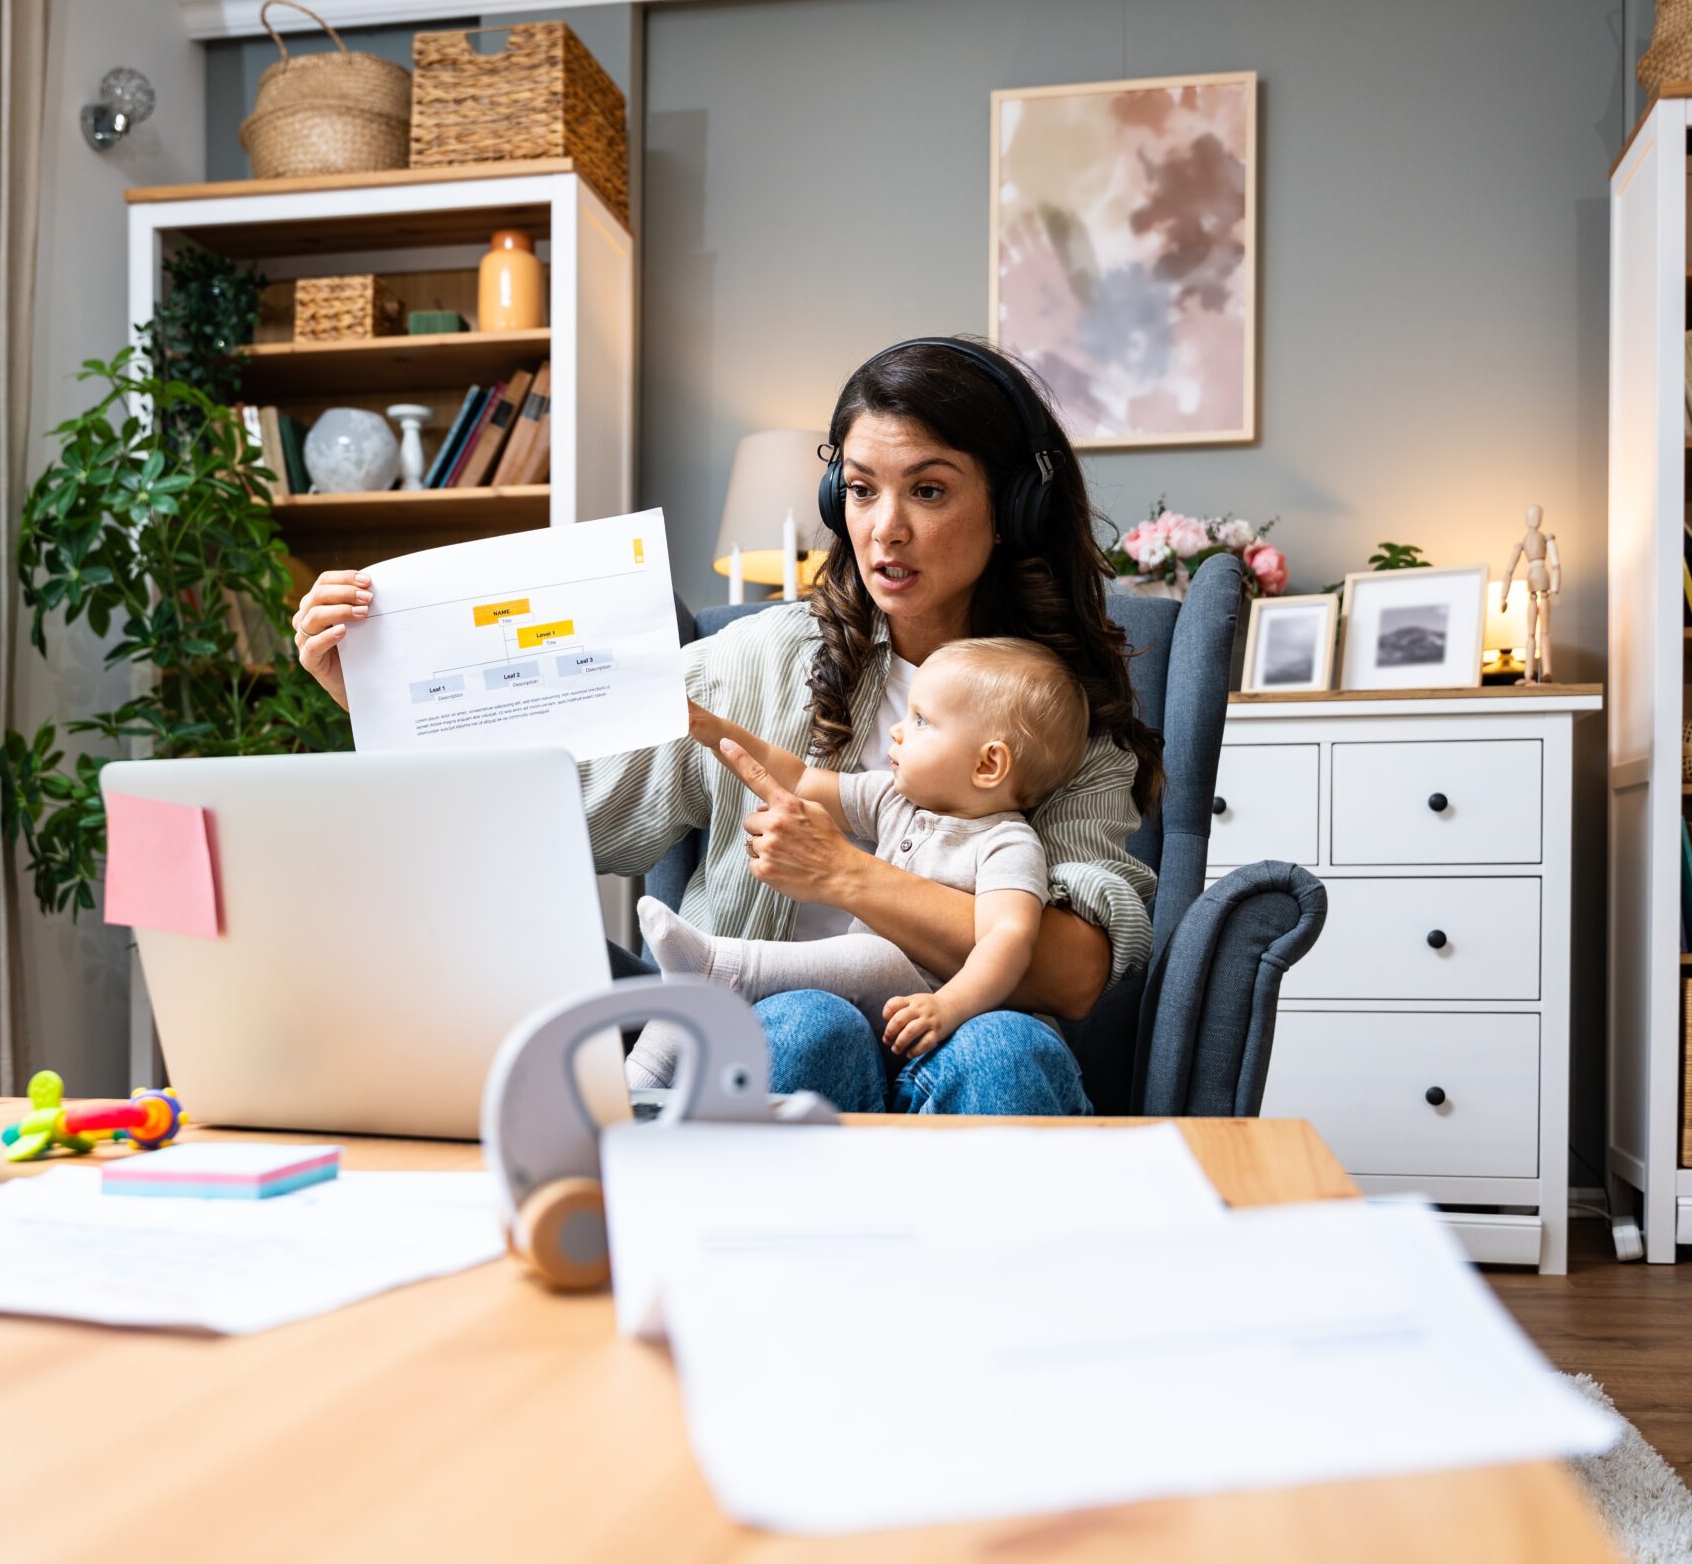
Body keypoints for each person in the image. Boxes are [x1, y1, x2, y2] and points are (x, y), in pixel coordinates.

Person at [289, 337, 1163, 1115]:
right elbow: (549, 818)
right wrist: (372, 700)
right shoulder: (751, 662)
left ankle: (1007, 1293)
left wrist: (849, 876)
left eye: (928, 490)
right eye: (860, 490)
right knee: (808, 1023)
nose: (884, 529)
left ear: (1009, 510)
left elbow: (1075, 970)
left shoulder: (1064, 713)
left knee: (1012, 1046)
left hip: (968, 1040)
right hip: (782, 1040)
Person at [629, 635, 1089, 1089]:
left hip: (937, 1022)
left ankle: (726, 967)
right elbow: (801, 778)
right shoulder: (894, 799)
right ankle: (642, 1074)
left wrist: (949, 1006)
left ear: (988, 765)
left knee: (872, 954)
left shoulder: (1008, 844)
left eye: (922, 721)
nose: (898, 729)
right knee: (698, 994)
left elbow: (1007, 939)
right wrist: (716, 732)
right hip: (862, 1019)